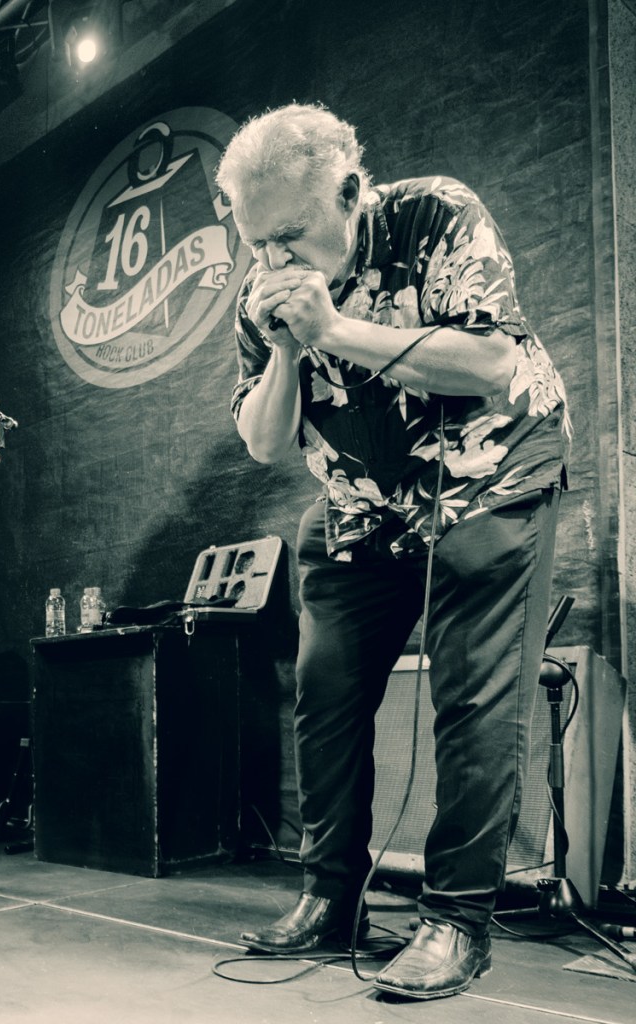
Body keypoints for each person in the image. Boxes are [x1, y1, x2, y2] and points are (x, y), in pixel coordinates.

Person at [215, 103, 570, 999]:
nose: (273, 261)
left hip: (489, 478)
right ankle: (329, 898)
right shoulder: (263, 294)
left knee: (472, 696)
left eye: (289, 236)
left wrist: (333, 331)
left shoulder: (436, 217)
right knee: (324, 692)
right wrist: (288, 352)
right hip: (364, 507)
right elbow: (263, 441)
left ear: (349, 193)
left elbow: (491, 364)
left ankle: (455, 920)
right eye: (257, 242)